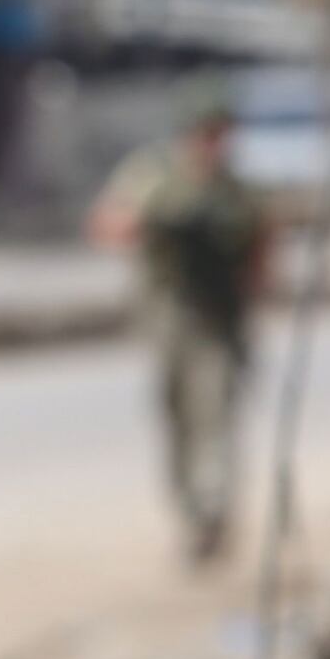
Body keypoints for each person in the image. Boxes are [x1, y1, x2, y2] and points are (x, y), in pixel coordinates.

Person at [89, 85, 270, 562]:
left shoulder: (237, 193)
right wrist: (160, 218)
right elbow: (108, 225)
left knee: (216, 417)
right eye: (206, 133)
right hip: (169, 321)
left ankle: (213, 513)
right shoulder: (154, 177)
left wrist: (248, 301)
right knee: (177, 419)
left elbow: (262, 253)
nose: (215, 144)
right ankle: (191, 511)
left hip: (219, 325)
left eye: (221, 133)